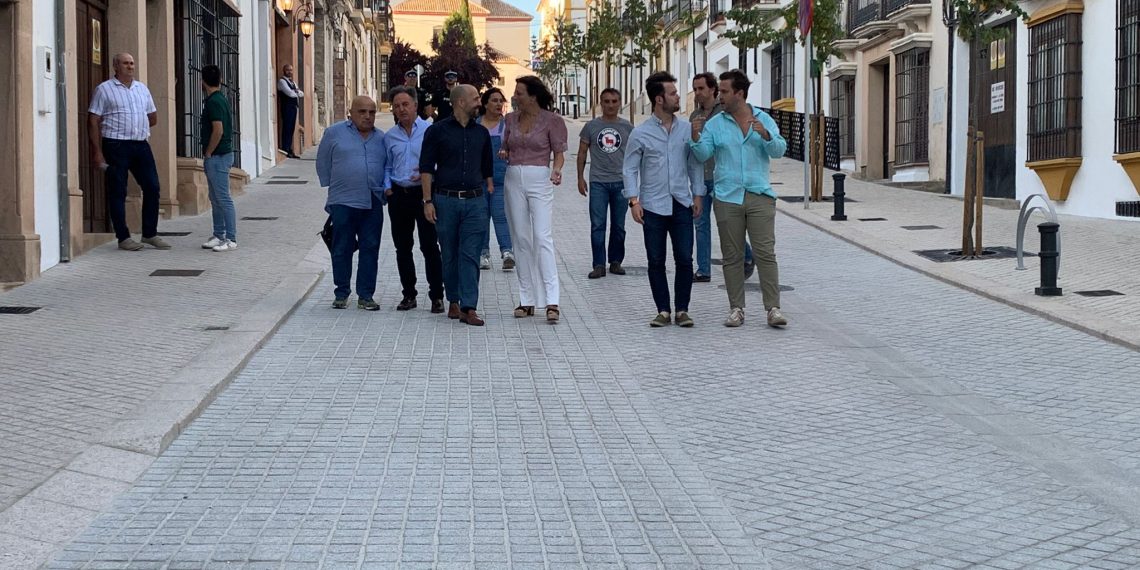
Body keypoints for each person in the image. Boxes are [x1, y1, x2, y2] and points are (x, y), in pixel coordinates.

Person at [689, 70, 788, 328]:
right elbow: (702, 155)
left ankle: (773, 309)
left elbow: (779, 150)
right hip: (726, 196)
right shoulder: (715, 123)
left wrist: (766, 135)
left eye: (724, 91)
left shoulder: (763, 118)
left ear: (739, 93)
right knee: (731, 255)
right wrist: (695, 137)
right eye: (719, 91)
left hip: (759, 194)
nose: (719, 96)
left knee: (765, 253)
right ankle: (736, 309)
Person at [622, 71, 704, 328]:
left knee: (684, 259)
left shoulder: (686, 130)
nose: (678, 96)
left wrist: (698, 193)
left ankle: (682, 310)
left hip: (681, 202)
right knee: (655, 260)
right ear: (659, 99)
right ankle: (663, 310)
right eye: (673, 93)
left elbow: (694, 163)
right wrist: (633, 201)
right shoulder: (641, 133)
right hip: (653, 206)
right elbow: (630, 168)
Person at [420, 84, 494, 326]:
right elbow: (426, 169)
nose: (478, 103)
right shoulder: (437, 132)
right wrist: (428, 201)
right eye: (474, 99)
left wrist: (487, 200)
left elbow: (487, 171)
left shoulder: (481, 133)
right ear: (460, 102)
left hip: (475, 201)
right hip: (445, 200)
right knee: (449, 253)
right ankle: (453, 299)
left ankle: (469, 306)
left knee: (470, 254)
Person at [500, 76, 568, 323]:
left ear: (533, 96)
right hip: (513, 177)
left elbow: (558, 153)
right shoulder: (510, 120)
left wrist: (556, 170)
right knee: (520, 238)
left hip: (540, 177)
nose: (515, 96)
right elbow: (506, 145)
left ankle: (552, 300)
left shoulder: (553, 121)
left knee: (542, 237)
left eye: (519, 93)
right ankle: (526, 299)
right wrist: (504, 151)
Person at [88, 52, 171, 251]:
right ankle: (123, 237)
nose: (130, 67)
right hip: (116, 145)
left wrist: (136, 125)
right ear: (116, 66)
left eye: (132, 63)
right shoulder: (104, 90)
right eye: (125, 63)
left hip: (140, 145)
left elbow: (153, 117)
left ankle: (149, 233)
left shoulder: (142, 89)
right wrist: (97, 151)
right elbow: (93, 120)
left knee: (152, 186)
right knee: (118, 190)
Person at [316, 95, 387, 310]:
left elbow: (387, 166)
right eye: (362, 112)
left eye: (372, 112)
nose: (368, 116)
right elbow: (323, 162)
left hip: (372, 201)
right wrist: (335, 186)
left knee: (370, 248)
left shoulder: (382, 138)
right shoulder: (334, 133)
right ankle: (341, 292)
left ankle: (365, 295)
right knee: (341, 248)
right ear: (351, 113)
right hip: (343, 201)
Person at [384, 86, 445, 314]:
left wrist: (429, 171)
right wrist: (388, 188)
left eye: (405, 104)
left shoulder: (431, 131)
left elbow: (441, 161)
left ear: (416, 105)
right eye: (397, 106)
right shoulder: (390, 136)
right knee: (402, 247)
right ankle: (408, 294)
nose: (401, 109)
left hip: (424, 194)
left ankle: (437, 296)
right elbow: (386, 165)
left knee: (429, 246)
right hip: (399, 195)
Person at [689, 72, 753, 282]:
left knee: (727, 223)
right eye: (695, 88)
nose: (697, 93)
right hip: (701, 176)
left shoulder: (725, 111)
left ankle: (748, 255)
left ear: (712, 89)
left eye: (701, 88)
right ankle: (704, 269)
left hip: (722, 176)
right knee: (700, 222)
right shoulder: (694, 116)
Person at [577, 88, 633, 279]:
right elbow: (582, 152)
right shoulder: (591, 126)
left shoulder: (628, 127)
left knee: (619, 225)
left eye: (614, 101)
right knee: (597, 225)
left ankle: (616, 261)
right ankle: (599, 264)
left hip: (621, 183)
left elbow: (635, 156)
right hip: (598, 182)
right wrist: (580, 177)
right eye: (606, 101)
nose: (610, 105)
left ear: (620, 103)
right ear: (601, 103)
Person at [199, 64, 237, 252]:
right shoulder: (220, 99)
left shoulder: (213, 102)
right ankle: (218, 234)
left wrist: (208, 152)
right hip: (222, 154)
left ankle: (230, 237)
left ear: (202, 81)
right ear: (220, 80)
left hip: (218, 155)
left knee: (222, 198)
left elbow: (218, 129)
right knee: (215, 198)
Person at [477, 88, 515, 271]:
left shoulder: (507, 126)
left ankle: (507, 252)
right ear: (485, 104)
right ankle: (483, 253)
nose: (499, 104)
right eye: (494, 100)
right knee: (482, 217)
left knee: (500, 216)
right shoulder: (476, 125)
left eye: (501, 101)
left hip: (501, 179)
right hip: (479, 180)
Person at [277, 64, 304, 158]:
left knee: (291, 129)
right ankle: (285, 148)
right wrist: (296, 92)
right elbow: (290, 93)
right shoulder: (282, 81)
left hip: (293, 107)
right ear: (284, 70)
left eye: (291, 70)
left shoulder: (292, 82)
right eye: (288, 70)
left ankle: (289, 148)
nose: (290, 72)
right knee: (287, 128)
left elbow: (301, 93)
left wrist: (296, 92)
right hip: (287, 107)